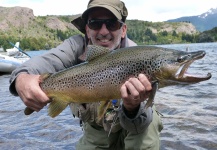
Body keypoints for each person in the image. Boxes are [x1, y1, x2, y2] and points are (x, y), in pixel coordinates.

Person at [9, 0, 163, 149]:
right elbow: (47, 61)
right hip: (97, 132)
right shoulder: (75, 46)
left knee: (150, 122)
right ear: (87, 30)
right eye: (95, 23)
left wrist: (132, 108)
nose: (103, 31)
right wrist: (22, 78)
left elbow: (140, 124)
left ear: (123, 30)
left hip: (134, 128)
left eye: (111, 24)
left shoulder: (139, 55)